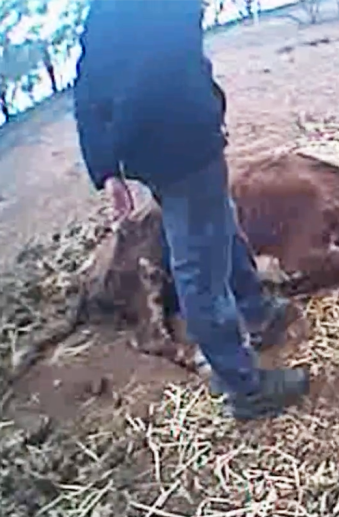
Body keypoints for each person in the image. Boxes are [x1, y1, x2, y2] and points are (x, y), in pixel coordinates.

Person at [72, 0, 309, 420]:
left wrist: (110, 165)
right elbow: (161, 78)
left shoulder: (104, 11)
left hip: (158, 148)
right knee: (198, 264)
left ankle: (256, 311)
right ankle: (244, 386)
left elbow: (88, 85)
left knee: (219, 222)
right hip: (179, 144)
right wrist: (204, 117)